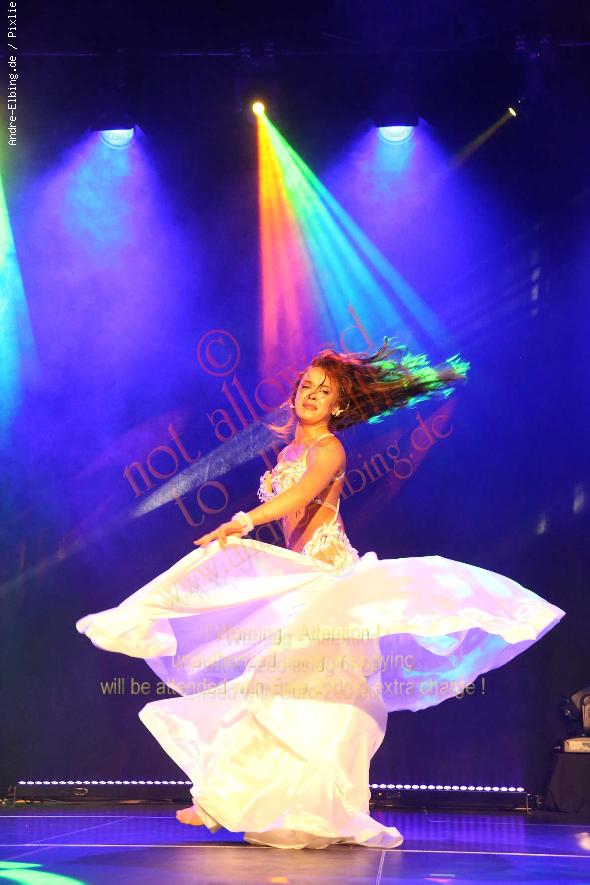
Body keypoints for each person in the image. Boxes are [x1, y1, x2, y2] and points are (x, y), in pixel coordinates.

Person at [76, 338, 565, 850]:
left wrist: (243, 521)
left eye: (323, 390)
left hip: (332, 584)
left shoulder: (329, 449)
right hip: (304, 579)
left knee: (298, 695)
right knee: (288, 695)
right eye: (306, 386)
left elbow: (300, 495)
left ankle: (243, 801)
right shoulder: (290, 449)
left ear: (338, 404)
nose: (311, 395)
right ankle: (259, 801)